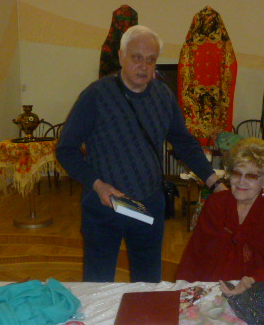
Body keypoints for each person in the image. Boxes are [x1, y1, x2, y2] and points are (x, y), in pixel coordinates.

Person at [56, 25, 226, 283]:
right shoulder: (96, 95)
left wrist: (215, 183)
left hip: (147, 203)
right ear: (121, 56)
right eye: (137, 58)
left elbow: (184, 143)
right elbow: (66, 150)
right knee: (98, 283)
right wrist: (97, 185)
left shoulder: (163, 95)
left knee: (148, 282)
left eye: (151, 59)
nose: (144, 67)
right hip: (105, 203)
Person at [176, 137, 264, 284]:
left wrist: (252, 282)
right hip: (212, 285)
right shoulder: (216, 203)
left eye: (251, 176)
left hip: (256, 286)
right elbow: (194, 255)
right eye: (237, 173)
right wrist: (183, 289)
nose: (241, 182)